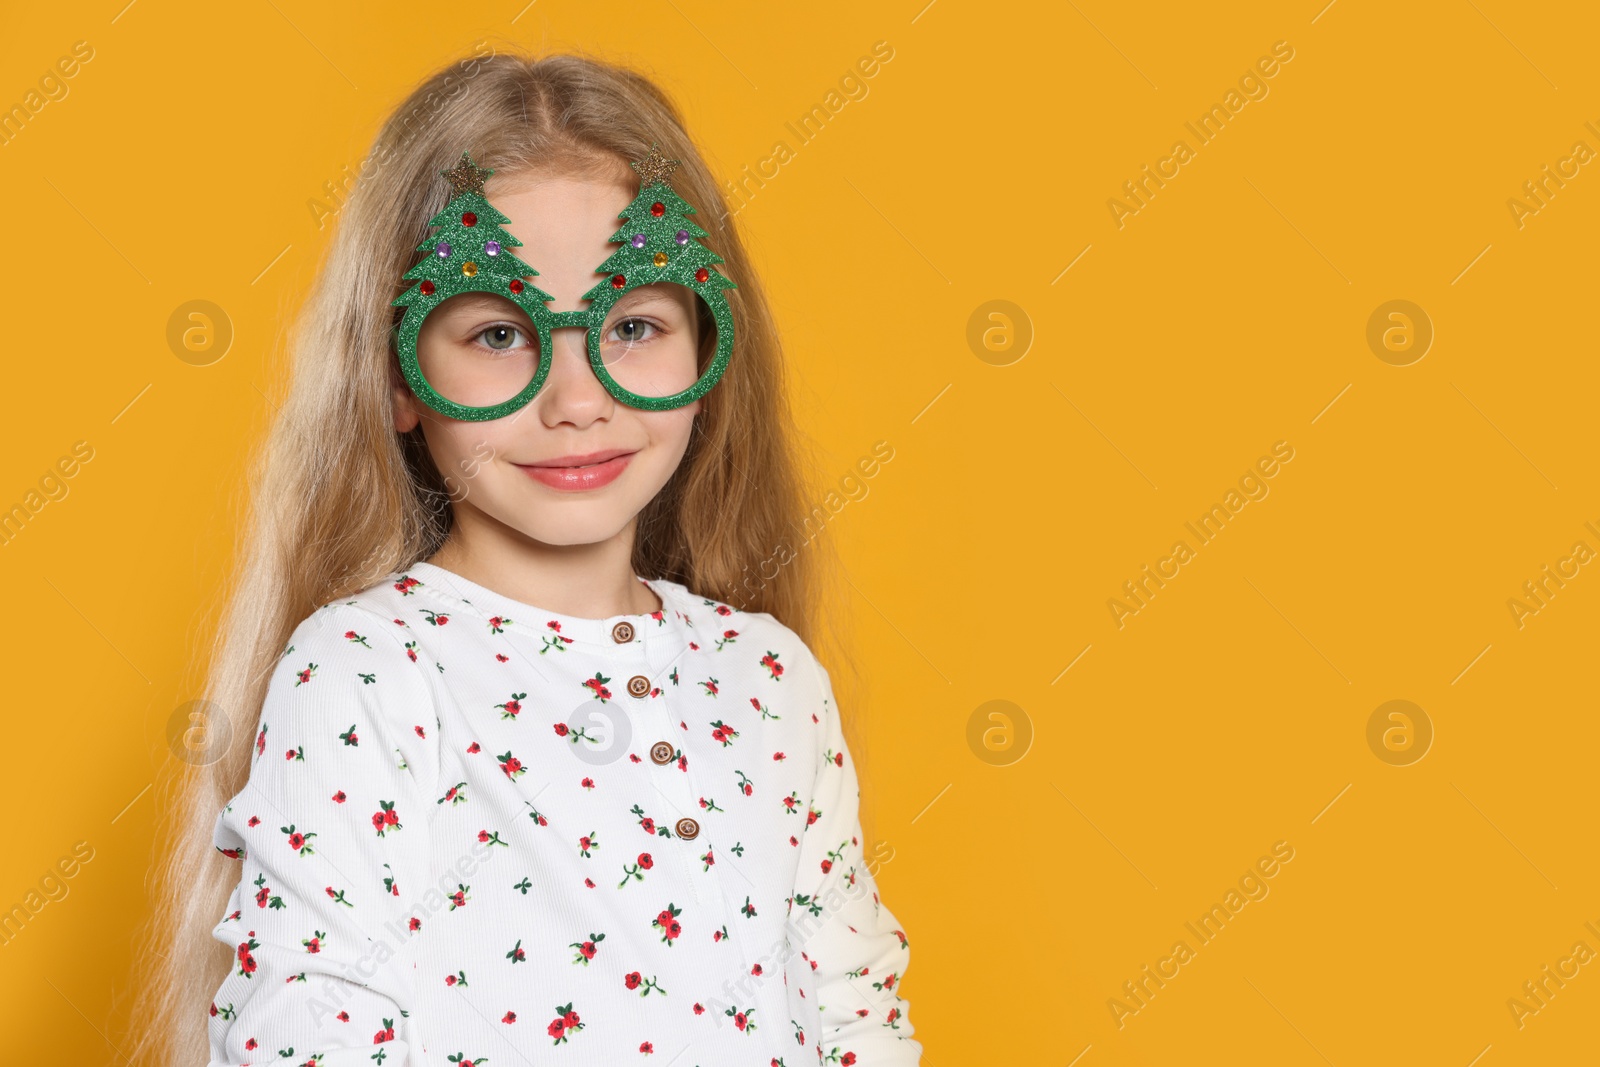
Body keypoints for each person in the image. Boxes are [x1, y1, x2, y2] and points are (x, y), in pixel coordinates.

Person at [128, 50, 922, 1067]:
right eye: (501, 333)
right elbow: (308, 1034)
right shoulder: (367, 672)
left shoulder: (768, 678)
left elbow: (856, 1013)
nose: (576, 399)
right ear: (398, 379)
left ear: (709, 358)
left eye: (632, 325)